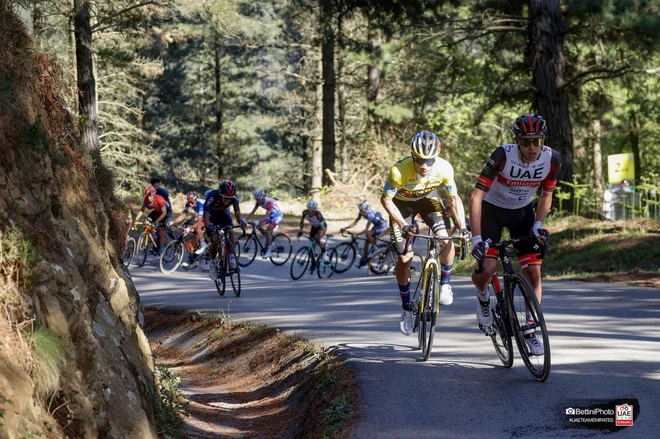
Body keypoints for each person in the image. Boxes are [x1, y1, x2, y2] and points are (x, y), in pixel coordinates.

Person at [469, 113, 561, 356]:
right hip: (492, 212)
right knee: (487, 269)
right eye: (526, 142)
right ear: (517, 141)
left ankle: (529, 329)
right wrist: (476, 237)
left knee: (533, 272)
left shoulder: (552, 159)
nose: (532, 148)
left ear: (543, 140)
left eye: (537, 141)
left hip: (522, 213)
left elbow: (546, 195)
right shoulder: (502, 155)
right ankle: (482, 297)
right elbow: (476, 197)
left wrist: (538, 224)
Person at [381, 130, 468, 337]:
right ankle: (406, 308)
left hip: (428, 200)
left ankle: (445, 284)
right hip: (401, 206)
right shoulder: (398, 171)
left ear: (435, 157)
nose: (424, 165)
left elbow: (454, 199)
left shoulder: (444, 168)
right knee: (405, 256)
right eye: (419, 160)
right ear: (413, 156)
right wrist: (403, 224)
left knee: (444, 238)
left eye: (429, 160)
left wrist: (463, 227)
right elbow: (386, 200)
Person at [203, 180, 244, 280]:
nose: (228, 201)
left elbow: (237, 214)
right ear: (221, 194)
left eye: (230, 199)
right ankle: (212, 264)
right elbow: (206, 218)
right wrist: (210, 226)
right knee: (216, 239)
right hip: (211, 216)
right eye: (225, 198)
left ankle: (231, 259)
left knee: (231, 231)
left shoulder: (234, 198)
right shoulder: (212, 196)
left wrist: (241, 222)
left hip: (223, 215)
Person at [340, 200, 388, 268]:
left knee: (368, 234)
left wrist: (357, 234)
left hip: (382, 226)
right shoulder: (361, 213)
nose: (360, 212)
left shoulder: (370, 215)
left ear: (365, 210)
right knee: (366, 242)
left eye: (361, 210)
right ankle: (364, 259)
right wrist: (345, 228)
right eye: (359, 210)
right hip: (377, 225)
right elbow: (354, 223)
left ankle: (376, 248)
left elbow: (366, 230)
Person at [244, 190, 283, 258]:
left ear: (263, 197)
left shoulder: (269, 202)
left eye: (259, 199)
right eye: (256, 199)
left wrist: (259, 221)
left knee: (268, 231)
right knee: (258, 226)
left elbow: (266, 216)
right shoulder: (258, 202)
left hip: (277, 215)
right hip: (271, 215)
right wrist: (245, 219)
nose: (258, 201)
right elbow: (252, 212)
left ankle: (269, 251)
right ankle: (267, 237)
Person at [133, 186, 172, 254]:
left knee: (161, 229)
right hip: (157, 211)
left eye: (149, 196)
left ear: (154, 195)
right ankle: (152, 237)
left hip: (165, 212)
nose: (148, 198)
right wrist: (136, 220)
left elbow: (164, 213)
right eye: (147, 196)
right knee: (146, 223)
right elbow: (142, 211)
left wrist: (155, 222)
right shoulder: (146, 199)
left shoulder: (159, 200)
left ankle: (162, 248)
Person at [173, 192, 207, 266]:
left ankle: (203, 243)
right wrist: (172, 222)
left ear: (195, 200)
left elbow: (199, 221)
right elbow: (183, 215)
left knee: (197, 227)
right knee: (193, 232)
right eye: (189, 202)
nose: (190, 204)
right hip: (200, 215)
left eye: (192, 202)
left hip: (209, 216)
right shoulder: (188, 203)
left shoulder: (200, 204)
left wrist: (189, 228)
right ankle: (193, 256)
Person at [297, 200, 329, 265]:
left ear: (315, 210)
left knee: (317, 240)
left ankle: (325, 252)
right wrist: (301, 230)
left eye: (312, 211)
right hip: (314, 227)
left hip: (321, 227)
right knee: (311, 245)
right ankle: (314, 261)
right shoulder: (304, 213)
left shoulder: (318, 215)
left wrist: (319, 236)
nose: (310, 212)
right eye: (309, 210)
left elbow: (322, 227)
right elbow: (301, 222)